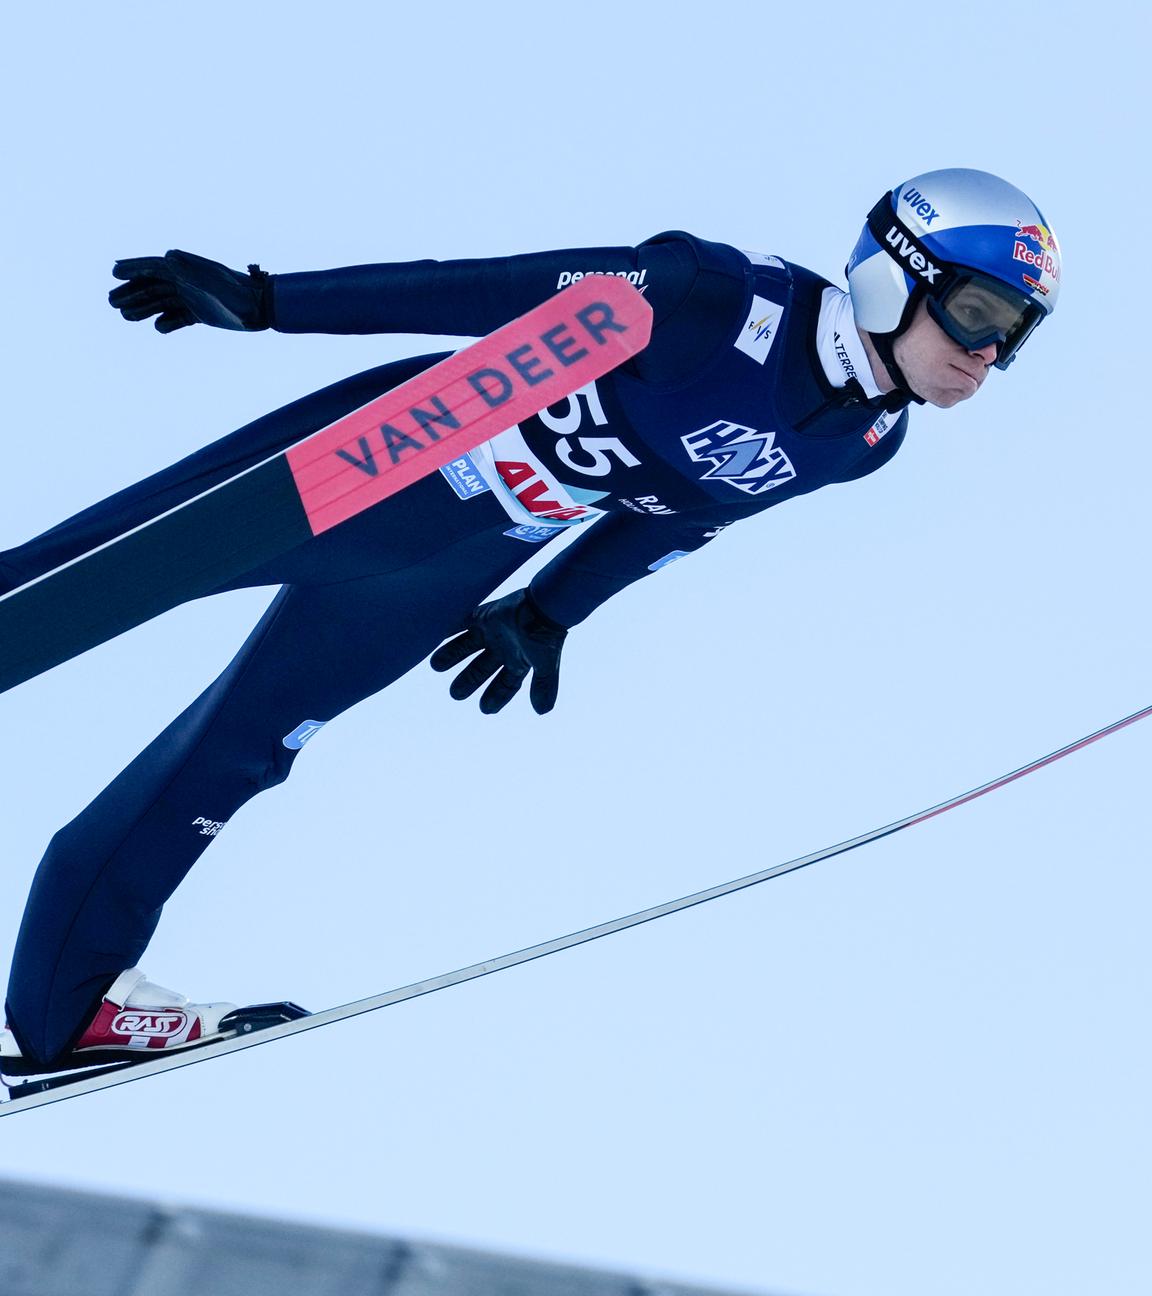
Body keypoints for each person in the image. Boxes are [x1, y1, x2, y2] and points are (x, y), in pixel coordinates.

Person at [0, 168, 1061, 1079]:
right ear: (893, 272)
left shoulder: (865, 443)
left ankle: (63, 1011)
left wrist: (554, 610)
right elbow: (490, 289)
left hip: (453, 562)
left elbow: (688, 517)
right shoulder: (717, 299)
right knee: (84, 576)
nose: (986, 357)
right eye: (976, 315)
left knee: (237, 756)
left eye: (1011, 338)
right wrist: (273, 300)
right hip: (390, 463)